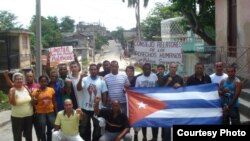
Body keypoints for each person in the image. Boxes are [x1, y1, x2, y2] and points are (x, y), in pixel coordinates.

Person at [77, 64, 108, 141]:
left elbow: (104, 93)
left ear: (97, 70)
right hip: (85, 108)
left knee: (97, 127)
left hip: (97, 108)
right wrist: (80, 78)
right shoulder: (84, 79)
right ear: (89, 70)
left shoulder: (102, 80)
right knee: (84, 127)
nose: (93, 71)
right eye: (92, 69)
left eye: (95, 69)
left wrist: (103, 105)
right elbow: (79, 88)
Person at [135, 63, 158, 141]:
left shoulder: (154, 76)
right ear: (143, 69)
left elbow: (158, 87)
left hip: (153, 103)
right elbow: (136, 91)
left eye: (149, 69)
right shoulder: (139, 79)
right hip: (143, 103)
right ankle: (144, 137)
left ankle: (154, 137)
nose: (147, 70)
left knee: (154, 121)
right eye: (145, 69)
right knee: (144, 121)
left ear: (151, 69)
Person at [8, 72, 34, 141]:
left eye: (21, 79)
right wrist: (13, 94)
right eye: (17, 79)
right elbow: (12, 103)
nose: (20, 80)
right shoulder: (12, 90)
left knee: (29, 135)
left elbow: (31, 99)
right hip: (17, 117)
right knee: (17, 136)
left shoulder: (26, 88)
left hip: (29, 116)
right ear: (14, 81)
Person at [162, 63, 183, 141]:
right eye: (172, 67)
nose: (173, 69)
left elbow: (183, 90)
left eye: (175, 67)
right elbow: (160, 91)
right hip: (166, 105)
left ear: (176, 69)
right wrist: (167, 82)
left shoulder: (179, 78)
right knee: (167, 126)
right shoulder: (164, 78)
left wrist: (180, 86)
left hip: (177, 105)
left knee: (177, 124)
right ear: (169, 68)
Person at [32, 75, 57, 141]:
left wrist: (56, 113)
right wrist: (36, 96)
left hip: (50, 112)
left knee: (51, 129)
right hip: (40, 114)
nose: (43, 83)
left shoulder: (51, 90)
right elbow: (32, 104)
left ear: (47, 82)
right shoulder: (35, 91)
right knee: (42, 130)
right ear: (39, 82)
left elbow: (54, 102)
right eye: (42, 81)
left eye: (45, 81)